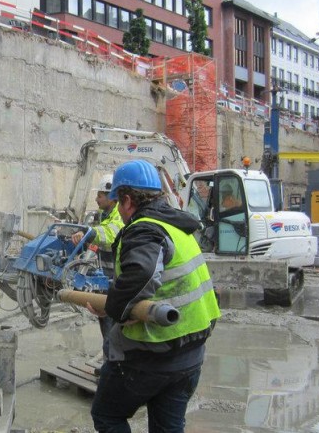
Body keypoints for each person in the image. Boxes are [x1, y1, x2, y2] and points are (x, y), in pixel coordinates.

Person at [89, 159, 220, 433]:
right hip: (191, 352)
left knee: (107, 415)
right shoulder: (177, 227)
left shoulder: (144, 228)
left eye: (118, 204)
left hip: (153, 354)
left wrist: (114, 308)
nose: (119, 212)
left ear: (126, 200)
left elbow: (142, 275)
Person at [71, 174, 124, 357]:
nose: (96, 199)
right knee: (106, 324)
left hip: (117, 279)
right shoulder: (103, 215)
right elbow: (96, 241)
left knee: (112, 325)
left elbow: (109, 236)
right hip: (106, 278)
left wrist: (88, 232)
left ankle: (112, 366)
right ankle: (109, 363)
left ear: (111, 196)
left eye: (100, 195)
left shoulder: (120, 216)